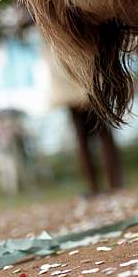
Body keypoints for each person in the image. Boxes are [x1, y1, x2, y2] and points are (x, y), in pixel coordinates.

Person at [46, 50, 123, 195]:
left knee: (90, 133)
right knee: (98, 132)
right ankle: (110, 183)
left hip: (70, 61)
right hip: (73, 62)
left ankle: (104, 184)